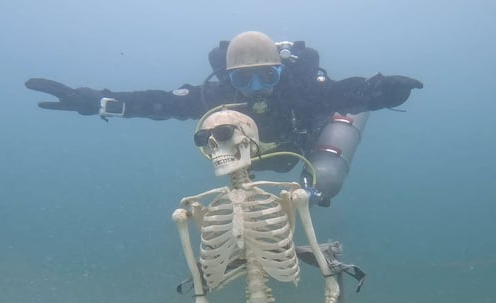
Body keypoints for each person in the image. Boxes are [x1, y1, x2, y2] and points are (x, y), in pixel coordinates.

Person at [25, 31, 423, 206]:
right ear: (228, 78)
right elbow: (160, 103)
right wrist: (98, 101)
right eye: (242, 79)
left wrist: (383, 91)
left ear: (281, 72)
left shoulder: (303, 90)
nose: (255, 88)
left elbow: (347, 92)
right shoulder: (217, 96)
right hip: (255, 162)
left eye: (266, 76)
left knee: (325, 179)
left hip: (305, 149)